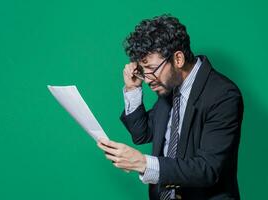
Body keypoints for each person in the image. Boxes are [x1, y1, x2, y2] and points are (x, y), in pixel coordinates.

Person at [97, 14, 244, 200]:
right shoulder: (170, 87)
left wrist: (143, 163)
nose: (148, 79)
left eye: (151, 70)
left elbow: (208, 169)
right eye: (143, 71)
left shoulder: (223, 95)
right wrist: (133, 88)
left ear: (178, 59)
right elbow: (142, 134)